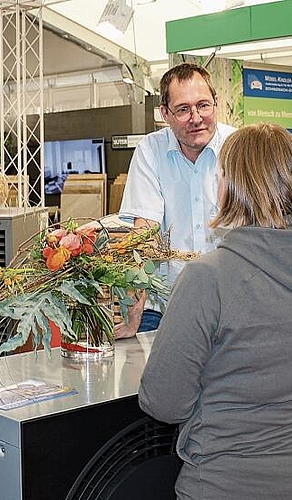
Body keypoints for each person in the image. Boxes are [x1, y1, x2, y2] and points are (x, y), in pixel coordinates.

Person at [139, 123, 292, 499]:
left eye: (220, 175)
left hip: (231, 481)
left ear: (232, 186)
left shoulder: (208, 278)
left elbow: (164, 401)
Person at [117, 63, 236, 338]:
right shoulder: (150, 151)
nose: (196, 118)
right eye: (183, 109)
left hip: (228, 309)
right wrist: (132, 315)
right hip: (163, 308)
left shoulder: (238, 145)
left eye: (204, 105)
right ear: (165, 114)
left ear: (216, 104)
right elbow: (143, 237)